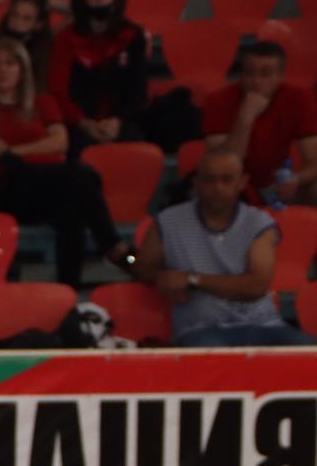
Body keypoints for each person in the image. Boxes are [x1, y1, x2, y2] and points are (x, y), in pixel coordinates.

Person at [0, 37, 127, 288]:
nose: (2, 70)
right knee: (81, 175)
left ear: (22, 69)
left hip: (53, 185)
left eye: (10, 63)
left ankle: (67, 293)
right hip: (11, 190)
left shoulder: (42, 102)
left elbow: (60, 142)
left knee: (71, 215)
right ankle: (113, 246)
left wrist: (10, 152)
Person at [133, 148, 314, 348]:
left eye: (226, 179)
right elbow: (140, 266)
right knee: (208, 353)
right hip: (199, 329)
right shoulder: (168, 221)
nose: (217, 187)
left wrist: (192, 279)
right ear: (196, 182)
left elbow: (255, 286)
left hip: (264, 325)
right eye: (209, 179)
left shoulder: (258, 222)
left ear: (242, 182)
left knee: (306, 350)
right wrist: (161, 278)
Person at [46, 0, 150, 154]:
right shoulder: (66, 38)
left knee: (135, 145)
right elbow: (57, 90)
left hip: (121, 120)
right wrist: (84, 123)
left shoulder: (133, 35)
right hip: (79, 121)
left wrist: (118, 121)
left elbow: (138, 89)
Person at [202, 41, 317, 210]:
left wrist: (296, 179)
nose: (256, 81)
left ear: (280, 76)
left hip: (276, 185)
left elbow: (314, 162)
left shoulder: (298, 98)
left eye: (266, 74)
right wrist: (245, 117)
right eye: (249, 73)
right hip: (233, 185)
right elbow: (221, 166)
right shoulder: (218, 100)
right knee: (220, 190)